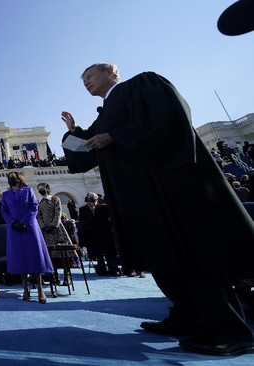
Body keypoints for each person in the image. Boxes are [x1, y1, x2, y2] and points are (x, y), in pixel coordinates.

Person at [61, 62, 254, 356]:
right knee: (163, 256)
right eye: (82, 79)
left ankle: (230, 330)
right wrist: (75, 132)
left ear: (111, 72)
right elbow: (84, 157)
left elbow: (168, 118)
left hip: (170, 189)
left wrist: (115, 136)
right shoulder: (104, 116)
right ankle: (186, 316)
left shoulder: (142, 85)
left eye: (89, 75)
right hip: (140, 198)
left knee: (194, 256)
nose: (85, 81)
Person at [1, 171, 53, 303]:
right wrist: (13, 223)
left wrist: (24, 222)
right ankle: (25, 289)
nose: (11, 179)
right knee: (20, 258)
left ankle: (40, 290)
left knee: (34, 256)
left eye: (13, 177)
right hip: (14, 229)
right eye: (9, 178)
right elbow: (4, 211)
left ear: (19, 179)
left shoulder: (28, 190)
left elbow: (34, 207)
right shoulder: (5, 195)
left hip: (29, 227)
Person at [36, 182, 77, 285]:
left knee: (64, 254)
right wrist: (44, 227)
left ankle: (67, 276)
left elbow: (58, 212)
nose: (40, 190)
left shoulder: (55, 199)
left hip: (57, 229)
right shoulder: (40, 203)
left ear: (46, 188)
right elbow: (39, 216)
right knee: (50, 255)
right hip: (46, 231)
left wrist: (54, 225)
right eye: (38, 188)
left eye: (41, 188)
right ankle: (54, 276)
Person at [77, 192, 120, 277]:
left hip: (105, 234)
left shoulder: (104, 208)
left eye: (95, 201)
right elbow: (81, 222)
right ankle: (101, 270)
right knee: (98, 254)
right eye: (91, 201)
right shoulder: (83, 209)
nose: (93, 203)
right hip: (92, 235)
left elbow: (109, 220)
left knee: (110, 252)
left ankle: (113, 269)